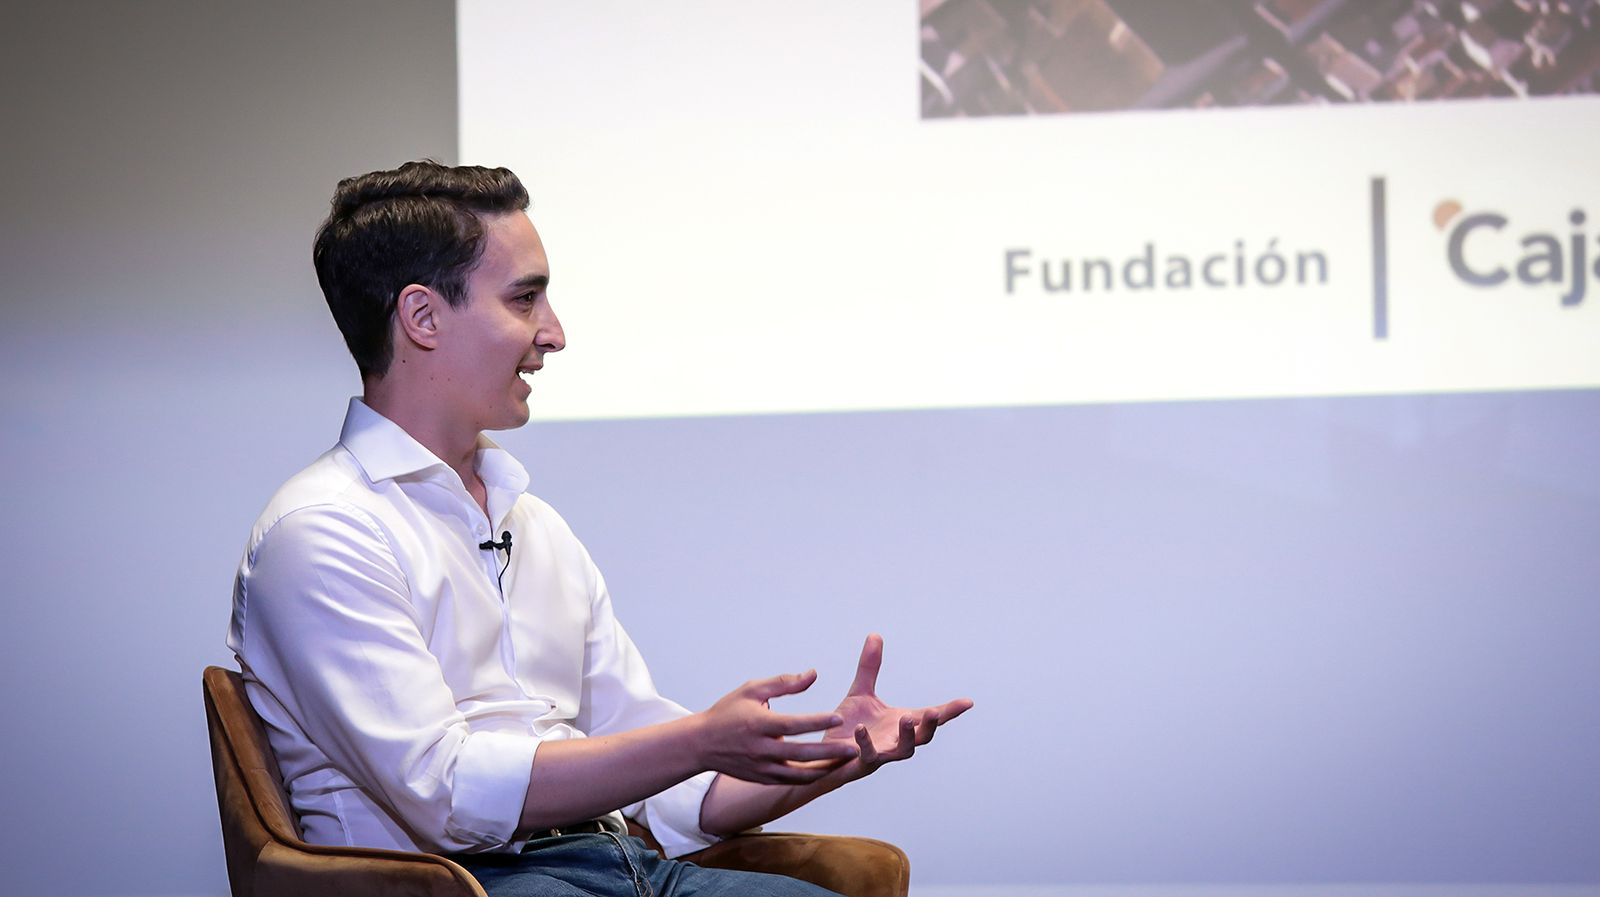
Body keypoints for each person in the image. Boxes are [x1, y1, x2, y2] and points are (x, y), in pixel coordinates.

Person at [229, 160, 971, 896]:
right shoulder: (321, 531)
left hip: (627, 868)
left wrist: (832, 754)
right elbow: (448, 795)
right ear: (422, 317)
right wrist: (696, 738)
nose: (553, 333)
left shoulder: (534, 523)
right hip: (468, 884)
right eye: (525, 299)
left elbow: (679, 798)